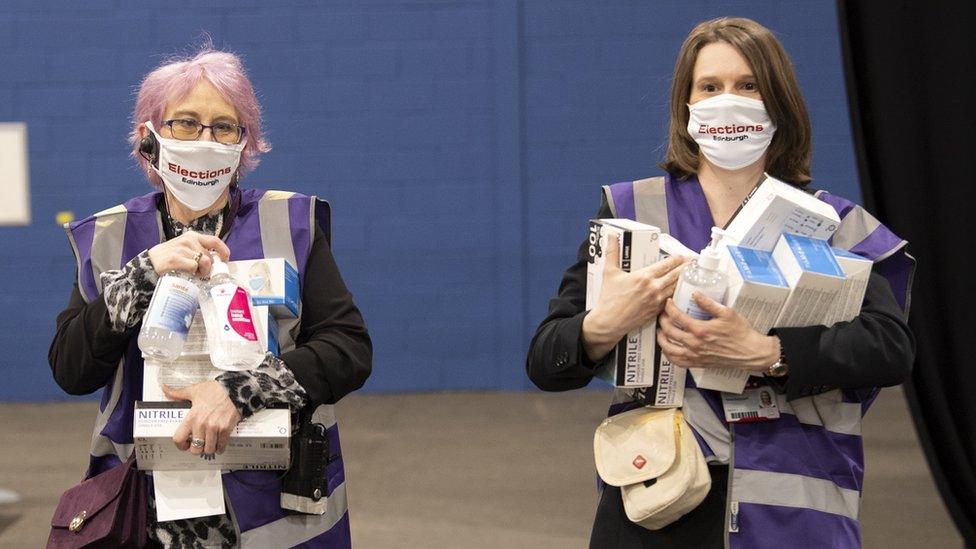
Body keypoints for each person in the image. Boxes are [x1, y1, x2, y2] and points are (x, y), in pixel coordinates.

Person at [525, 17, 915, 549]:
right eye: (710, 86)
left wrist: (768, 353)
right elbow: (547, 360)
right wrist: (604, 324)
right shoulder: (632, 213)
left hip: (794, 512)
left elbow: (891, 348)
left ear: (778, 102)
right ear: (686, 107)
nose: (728, 101)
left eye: (748, 85)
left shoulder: (833, 224)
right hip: (660, 501)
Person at [48, 47, 372, 548]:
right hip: (145, 506)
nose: (206, 139)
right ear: (149, 140)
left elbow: (348, 349)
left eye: (224, 126)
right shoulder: (112, 236)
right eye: (186, 123)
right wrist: (144, 272)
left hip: (274, 504)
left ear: (244, 143)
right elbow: (72, 370)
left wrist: (242, 390)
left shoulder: (291, 224)